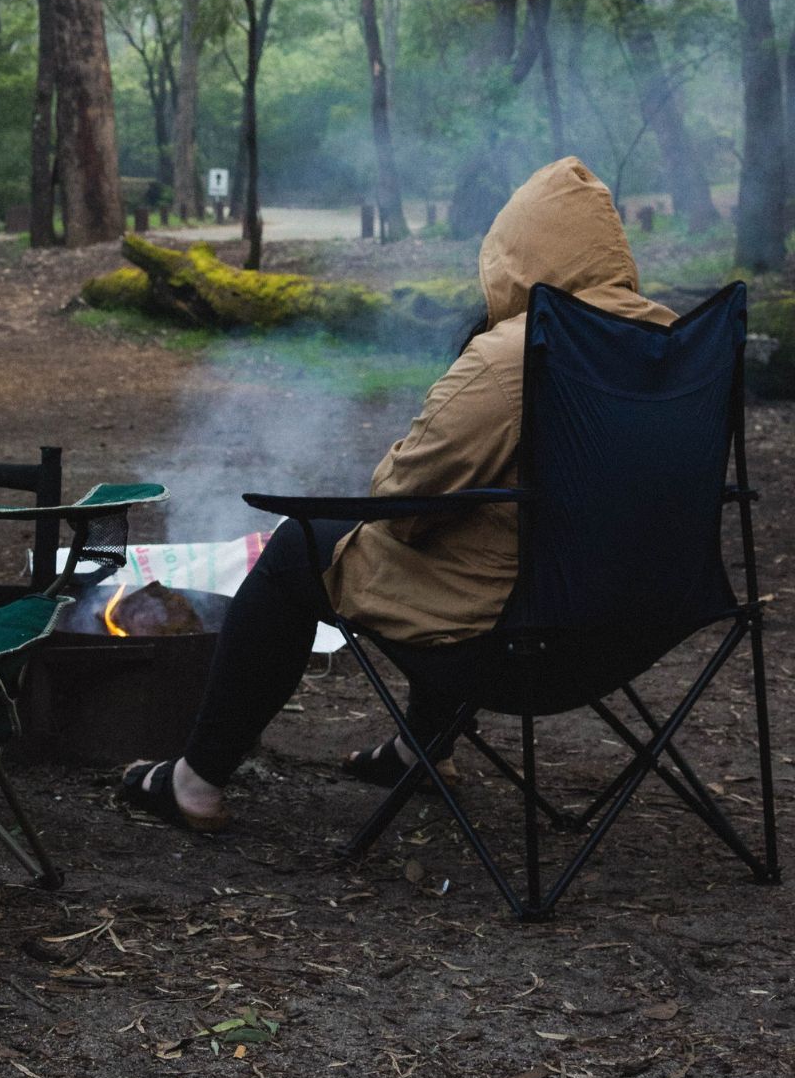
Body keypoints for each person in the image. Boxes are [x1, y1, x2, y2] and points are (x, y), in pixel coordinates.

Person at [120, 156, 676, 832]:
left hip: (524, 640)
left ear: (514, 259)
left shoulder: (516, 355)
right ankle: (422, 749)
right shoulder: (674, 344)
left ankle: (195, 782)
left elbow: (403, 504)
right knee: (470, 539)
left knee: (300, 548)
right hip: (641, 619)